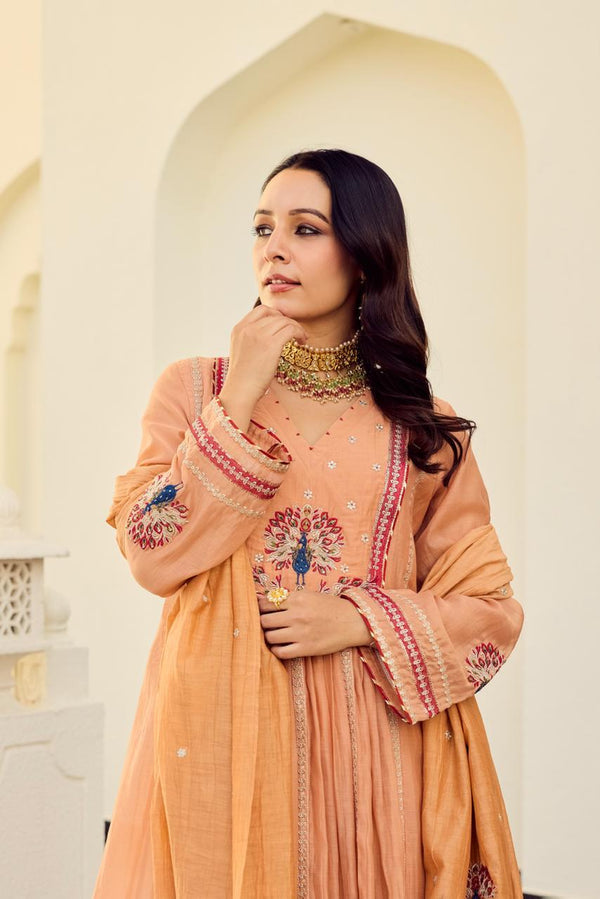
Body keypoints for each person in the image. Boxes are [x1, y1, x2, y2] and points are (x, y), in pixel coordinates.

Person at [94, 149, 524, 899]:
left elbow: (489, 614)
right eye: (262, 227)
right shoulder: (196, 390)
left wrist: (358, 616)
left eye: (305, 228)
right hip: (220, 732)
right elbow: (150, 553)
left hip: (375, 750)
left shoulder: (423, 428)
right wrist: (241, 399)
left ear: (363, 253)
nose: (274, 248)